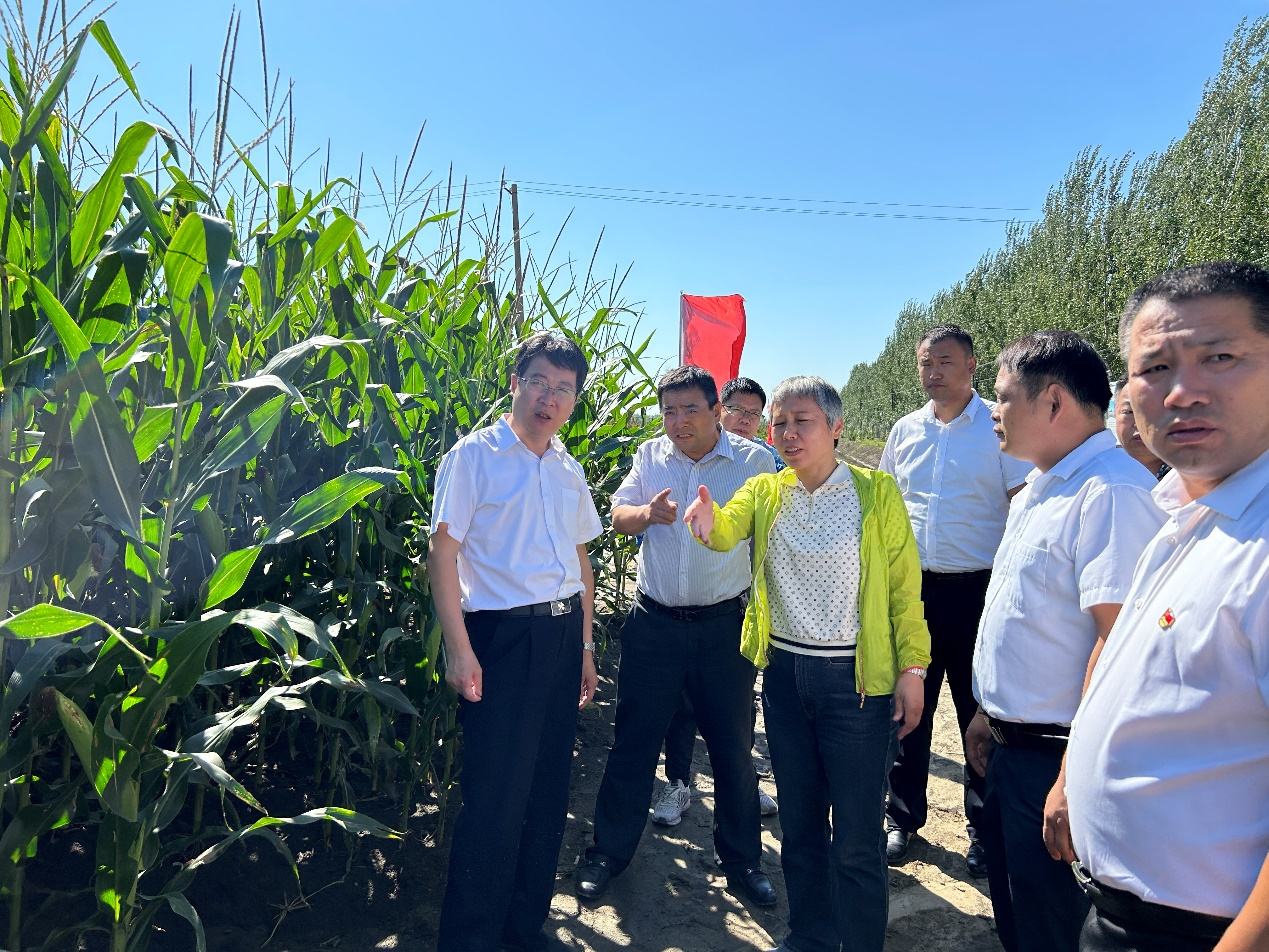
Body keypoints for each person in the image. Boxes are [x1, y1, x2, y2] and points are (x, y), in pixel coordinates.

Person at [684, 375, 931, 952]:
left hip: (857, 686)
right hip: (786, 678)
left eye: (803, 421)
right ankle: (811, 936)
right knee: (799, 826)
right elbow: (726, 529)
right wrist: (707, 524)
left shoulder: (876, 493)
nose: (788, 434)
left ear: (836, 428)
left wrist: (913, 669)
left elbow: (904, 589)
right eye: (780, 424)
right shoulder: (767, 491)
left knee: (857, 838)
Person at [1064, 262, 1269, 952]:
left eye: (1220, 357)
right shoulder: (1186, 514)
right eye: (1153, 369)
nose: (1182, 391)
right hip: (1129, 914)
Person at [963, 331, 1165, 952]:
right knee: (1018, 916)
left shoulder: (1111, 492)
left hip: (1055, 759)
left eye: (1003, 397)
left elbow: (1119, 642)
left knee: (1054, 928)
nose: (992, 411)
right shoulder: (1043, 487)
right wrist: (987, 714)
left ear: (1053, 401)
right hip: (1011, 750)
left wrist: (1072, 777)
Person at [575, 366, 778, 907]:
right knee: (634, 742)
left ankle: (743, 862)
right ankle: (607, 853)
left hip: (723, 629)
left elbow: (768, 538)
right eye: (669, 411)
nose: (678, 421)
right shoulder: (650, 456)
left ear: (717, 411)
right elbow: (618, 515)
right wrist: (648, 513)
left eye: (690, 409)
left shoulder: (754, 462)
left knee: (733, 749)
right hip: (655, 625)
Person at [429, 332, 603, 952]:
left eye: (563, 389)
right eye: (539, 382)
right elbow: (442, 556)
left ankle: (524, 928)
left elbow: (581, 564)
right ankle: (471, 939)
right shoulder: (474, 458)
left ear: (574, 401)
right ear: (515, 383)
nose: (548, 398)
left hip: (561, 635)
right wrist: (459, 649)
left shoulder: (567, 469)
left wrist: (585, 649)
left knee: (548, 791)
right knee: (496, 798)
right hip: (502, 639)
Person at [879, 324, 1032, 875]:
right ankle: (902, 818)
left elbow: (1022, 501)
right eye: (926, 362)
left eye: (945, 361)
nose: (934, 372)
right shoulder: (905, 430)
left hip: (978, 591)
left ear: (971, 365)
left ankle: (983, 831)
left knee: (977, 710)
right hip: (913, 592)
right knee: (908, 708)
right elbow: (886, 503)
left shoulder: (997, 426)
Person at [654, 375, 782, 826]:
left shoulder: (760, 462)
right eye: (738, 410)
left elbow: (769, 536)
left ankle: (742, 784)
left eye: (754, 414)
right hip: (670, 611)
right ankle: (678, 782)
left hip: (729, 609)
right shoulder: (665, 454)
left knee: (735, 710)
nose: (745, 420)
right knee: (682, 707)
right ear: (719, 410)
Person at [1111, 378, 1169, 479]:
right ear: (1115, 413)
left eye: (1153, 412)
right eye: (1129, 412)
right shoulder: (1098, 475)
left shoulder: (1191, 478)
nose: (1139, 424)